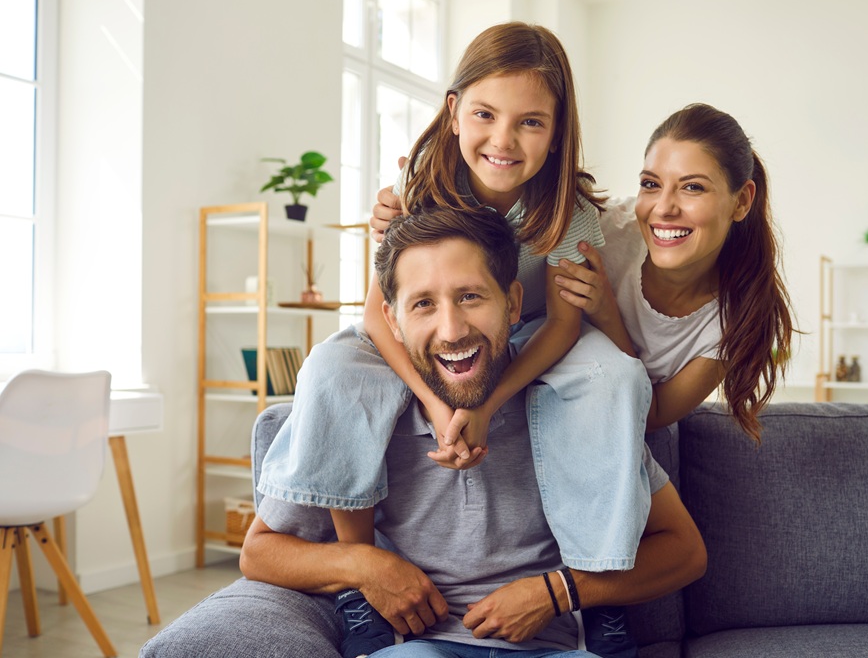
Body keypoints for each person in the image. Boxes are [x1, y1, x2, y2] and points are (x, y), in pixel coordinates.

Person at [139, 207, 706, 658]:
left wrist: (558, 592)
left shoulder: (576, 406)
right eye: (424, 304)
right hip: (416, 647)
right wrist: (365, 565)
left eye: (470, 297)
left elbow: (684, 552)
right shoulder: (359, 408)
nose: (451, 329)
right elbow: (260, 554)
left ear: (512, 303)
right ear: (392, 319)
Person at [257, 22, 653, 658]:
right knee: (333, 364)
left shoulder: (568, 210)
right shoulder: (419, 183)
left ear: (557, 132)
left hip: (527, 332)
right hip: (428, 336)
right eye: (484, 115)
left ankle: (599, 581)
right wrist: (438, 403)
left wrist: (489, 403)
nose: (503, 140)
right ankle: (360, 581)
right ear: (452, 111)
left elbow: (561, 325)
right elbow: (381, 315)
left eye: (531, 122)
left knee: (618, 376)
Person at [372, 103, 794, 443]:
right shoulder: (606, 230)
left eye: (693, 187)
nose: (664, 208)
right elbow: (495, 248)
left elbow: (652, 414)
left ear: (742, 201)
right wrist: (410, 207)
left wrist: (606, 312)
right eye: (651, 184)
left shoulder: (736, 317)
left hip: (612, 426)